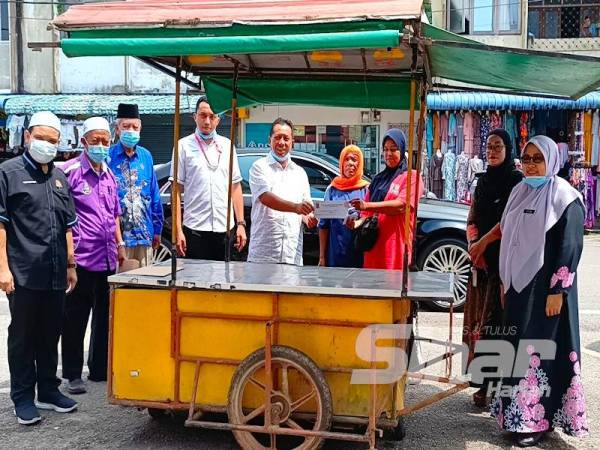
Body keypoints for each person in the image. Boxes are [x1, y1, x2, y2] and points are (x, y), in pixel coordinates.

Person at [491, 136, 588, 447]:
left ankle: (537, 421)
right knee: (518, 349)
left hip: (548, 292)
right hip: (520, 291)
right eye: (527, 157)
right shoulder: (519, 191)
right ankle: (516, 417)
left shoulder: (565, 197)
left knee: (539, 353)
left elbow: (570, 245)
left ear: (551, 160)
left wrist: (558, 290)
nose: (531, 164)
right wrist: (506, 281)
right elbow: (509, 238)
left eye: (538, 158)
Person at [0, 111, 78, 425]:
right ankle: (22, 397)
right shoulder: (8, 172)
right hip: (23, 272)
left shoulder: (59, 177)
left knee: (49, 333)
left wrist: (71, 264)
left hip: (56, 272)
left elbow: (67, 225)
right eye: (42, 137)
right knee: (23, 336)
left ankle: (48, 390)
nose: (47, 144)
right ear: (28, 136)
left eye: (53, 140)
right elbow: (1, 226)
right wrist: (3, 270)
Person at [61, 117, 125, 394]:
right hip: (82, 257)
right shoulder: (69, 172)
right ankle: (73, 373)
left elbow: (114, 214)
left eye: (105, 141)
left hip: (108, 256)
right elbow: (61, 217)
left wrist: (120, 244)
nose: (101, 146)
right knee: (76, 317)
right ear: (84, 141)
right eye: (95, 141)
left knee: (104, 315)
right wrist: (69, 259)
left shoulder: (109, 174)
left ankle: (99, 368)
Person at [463, 129, 523, 407]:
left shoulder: (517, 181)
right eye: (488, 146)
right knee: (480, 325)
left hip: (508, 263)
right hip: (483, 265)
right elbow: (472, 218)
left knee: (500, 325)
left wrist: (483, 245)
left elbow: (510, 223)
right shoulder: (483, 182)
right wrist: (474, 246)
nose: (492, 151)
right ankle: (482, 384)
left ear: (509, 149)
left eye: (498, 146)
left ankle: (499, 387)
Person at [174, 97, 246, 260]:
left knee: (224, 281)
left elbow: (235, 186)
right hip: (195, 230)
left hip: (224, 230)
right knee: (195, 283)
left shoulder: (228, 146)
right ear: (195, 117)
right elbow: (176, 190)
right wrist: (178, 231)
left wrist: (241, 224)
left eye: (212, 116)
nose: (207, 121)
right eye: (203, 115)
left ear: (218, 119)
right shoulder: (183, 146)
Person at [348, 129, 424, 270]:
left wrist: (367, 205)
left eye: (393, 149)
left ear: (402, 150)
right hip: (373, 251)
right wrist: (355, 224)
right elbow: (365, 216)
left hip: (395, 251)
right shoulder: (377, 180)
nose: (388, 154)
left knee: (394, 289)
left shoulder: (412, 177)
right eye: (385, 149)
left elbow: (402, 205)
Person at [248, 117, 317, 266]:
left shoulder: (300, 173)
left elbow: (306, 208)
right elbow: (266, 197)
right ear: (269, 140)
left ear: (292, 142)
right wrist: (296, 207)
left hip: (291, 254)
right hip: (264, 254)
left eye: (286, 138)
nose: (281, 143)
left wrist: (309, 217)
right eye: (277, 137)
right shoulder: (259, 167)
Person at [109, 103, 163, 267]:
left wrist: (157, 229)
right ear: (117, 129)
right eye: (126, 126)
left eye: (135, 127)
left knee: (142, 286)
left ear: (140, 129)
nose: (130, 130)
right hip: (119, 239)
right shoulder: (108, 157)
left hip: (144, 233)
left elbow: (154, 194)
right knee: (118, 287)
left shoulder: (146, 156)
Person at [318, 145, 369, 268]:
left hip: (360, 257)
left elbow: (370, 219)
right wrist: (322, 257)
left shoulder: (366, 189)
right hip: (335, 256)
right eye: (346, 159)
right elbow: (323, 225)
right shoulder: (332, 189)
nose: (350, 163)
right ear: (341, 162)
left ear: (360, 163)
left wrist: (357, 223)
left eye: (354, 159)